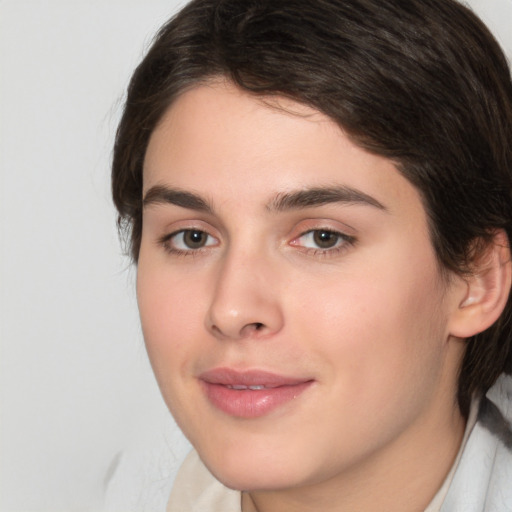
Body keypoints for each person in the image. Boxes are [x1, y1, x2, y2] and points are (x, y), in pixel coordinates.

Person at [111, 0, 512, 510]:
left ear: (477, 278)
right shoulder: (136, 489)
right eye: (192, 237)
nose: (231, 310)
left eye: (323, 238)